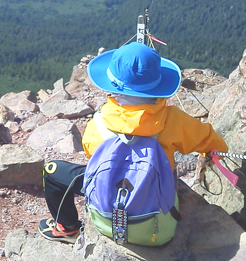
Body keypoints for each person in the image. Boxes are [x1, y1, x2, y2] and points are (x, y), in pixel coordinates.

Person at [38, 42, 228, 244]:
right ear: (158, 85)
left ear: (112, 86)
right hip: (158, 229)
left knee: (51, 171)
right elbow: (211, 142)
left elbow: (91, 155)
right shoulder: (174, 120)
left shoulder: (99, 123)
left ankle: (66, 228)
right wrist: (215, 153)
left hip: (106, 222)